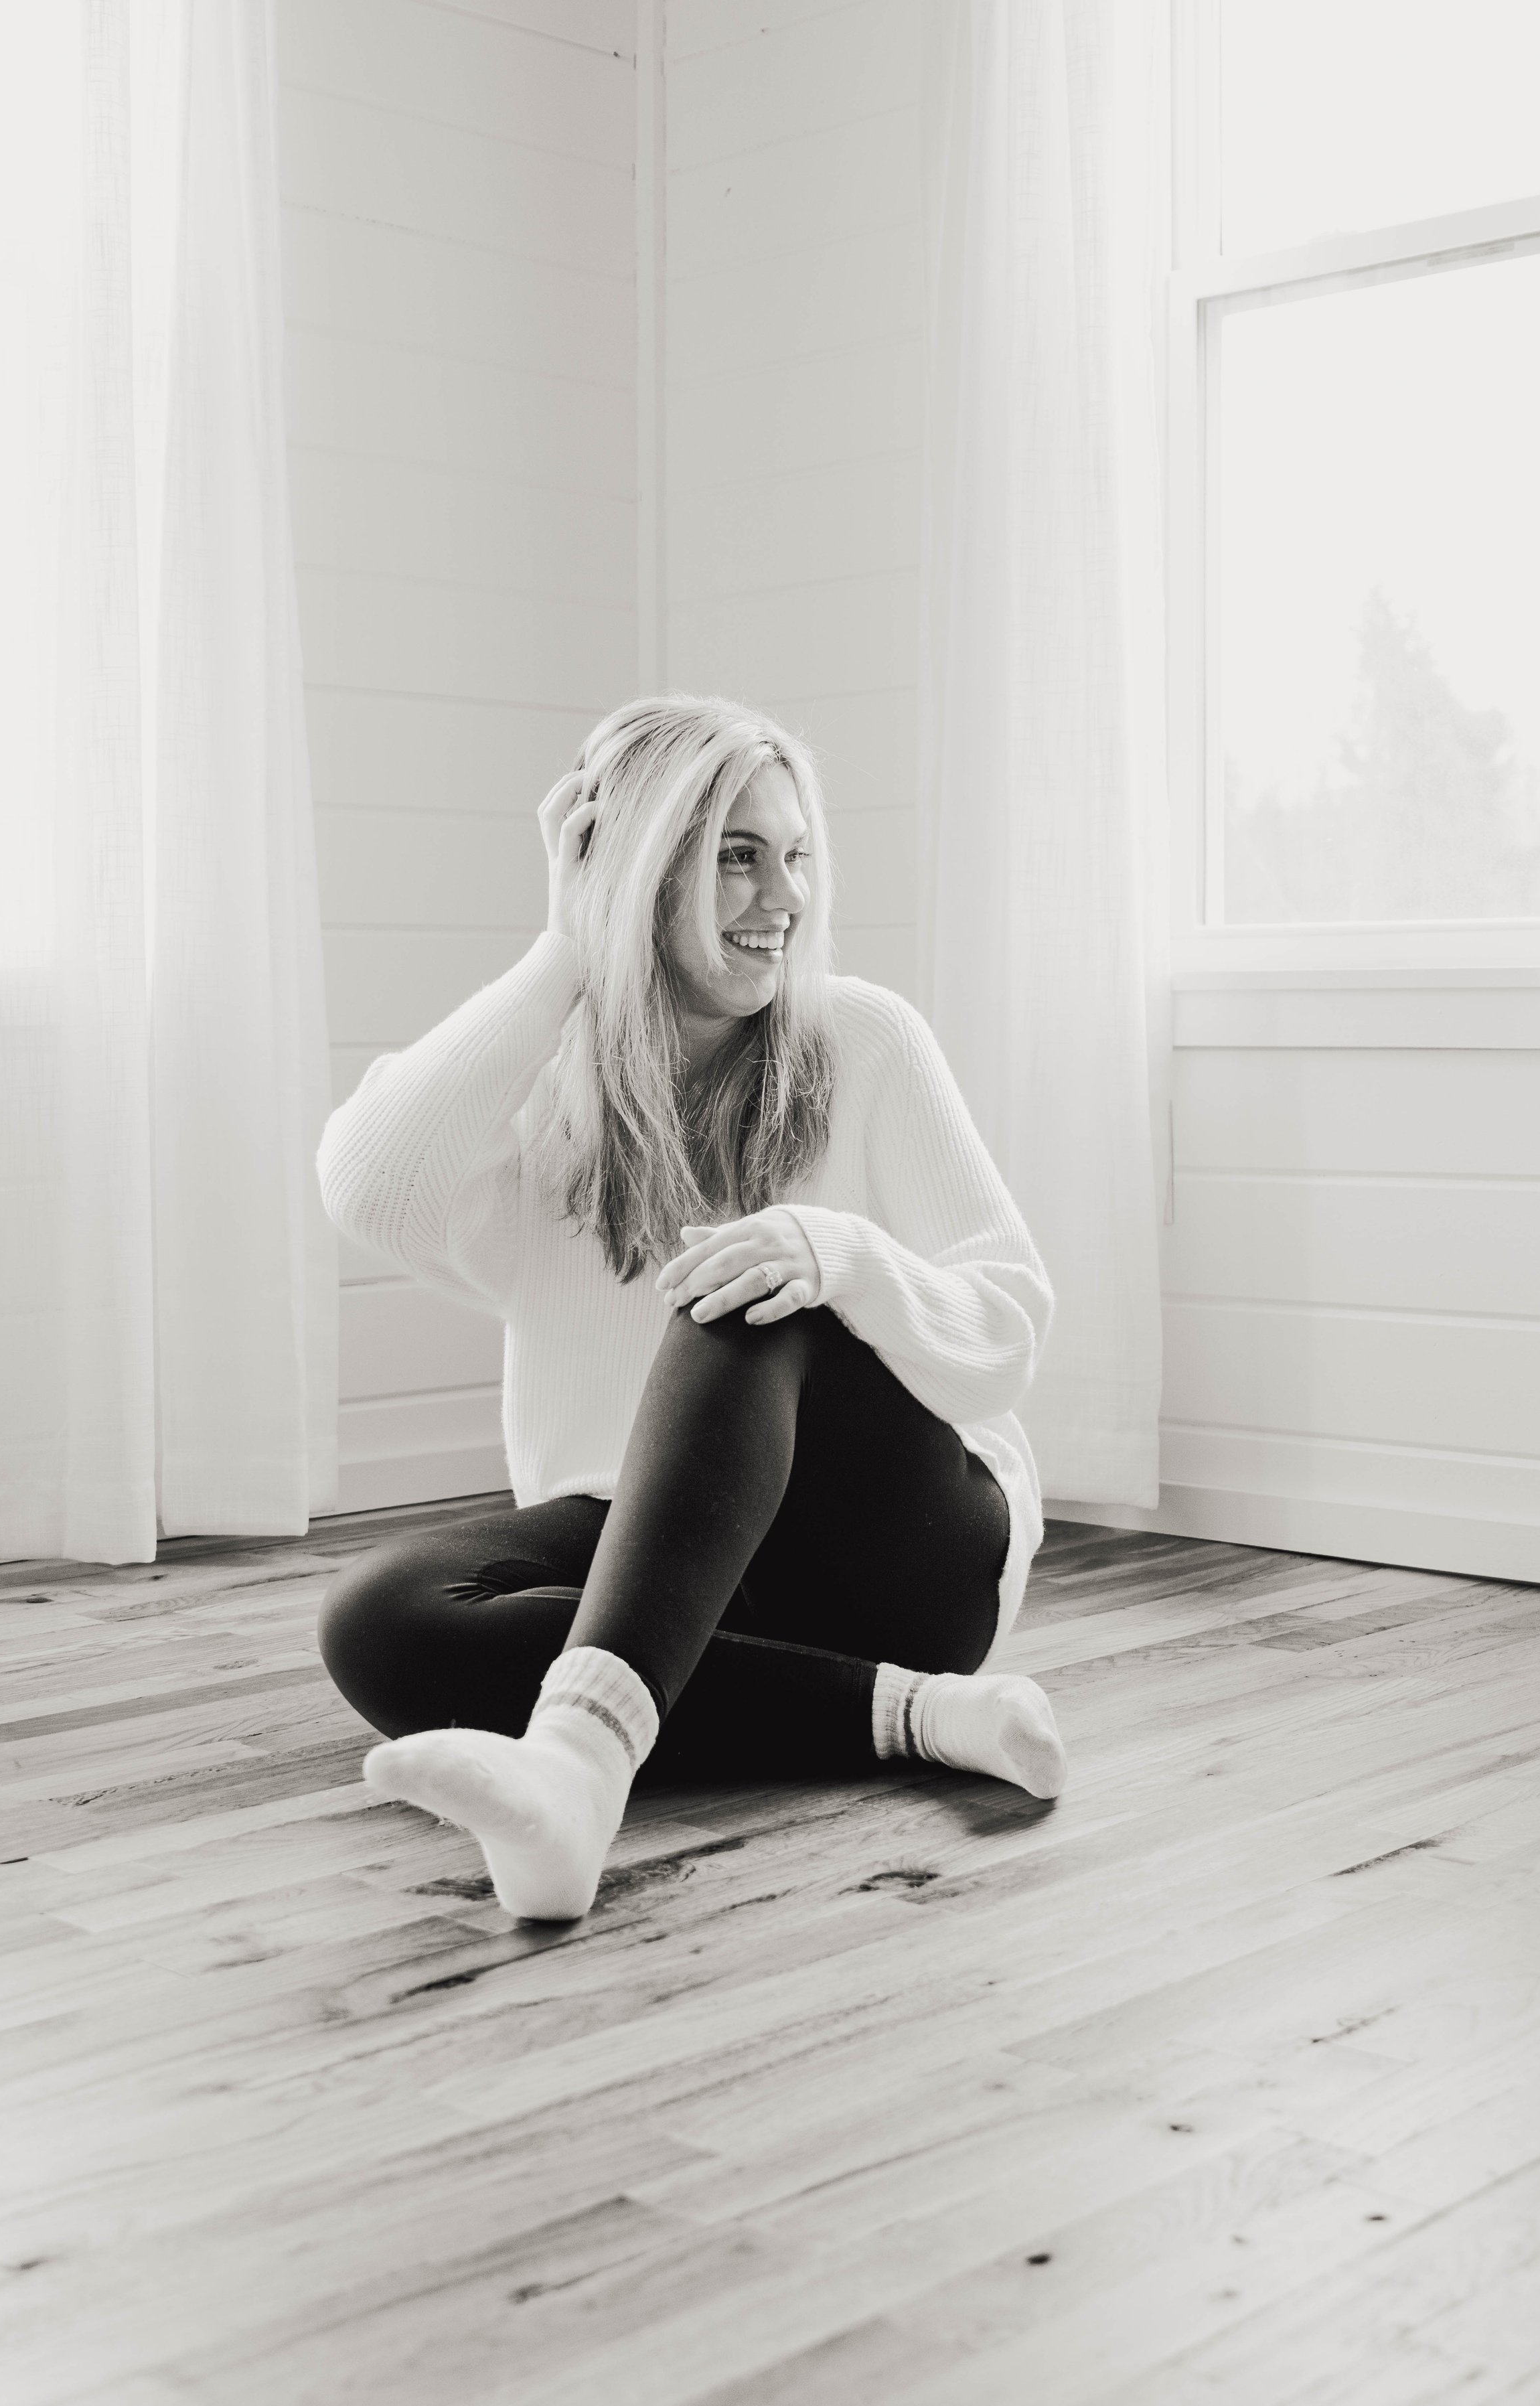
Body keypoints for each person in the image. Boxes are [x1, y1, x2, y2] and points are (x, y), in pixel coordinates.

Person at [315, 695, 1066, 1922]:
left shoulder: (866, 1038)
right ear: (640, 868)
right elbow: (372, 1186)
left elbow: (1007, 1329)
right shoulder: (546, 1080)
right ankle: (922, 1717)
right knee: (380, 1619)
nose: (785, 897)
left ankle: (577, 1769)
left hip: (900, 1551)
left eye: (797, 854)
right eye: (737, 855)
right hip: (661, 1559)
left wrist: (838, 1256)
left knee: (749, 1287)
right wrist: (566, 952)